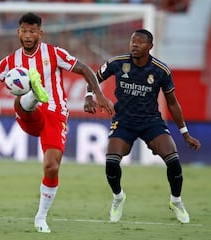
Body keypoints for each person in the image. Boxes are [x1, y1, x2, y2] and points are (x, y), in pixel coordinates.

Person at [0, 12, 114, 233]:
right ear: (18, 32)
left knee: (51, 167)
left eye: (32, 31)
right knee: (22, 102)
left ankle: (41, 217)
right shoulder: (11, 61)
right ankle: (32, 94)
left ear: (40, 33)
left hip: (56, 113)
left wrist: (96, 94)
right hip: (30, 115)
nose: (28, 35)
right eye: (24, 31)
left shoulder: (54, 53)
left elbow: (85, 69)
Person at [84, 29, 201, 224]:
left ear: (150, 46)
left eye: (140, 42)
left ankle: (176, 201)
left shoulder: (160, 70)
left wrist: (185, 134)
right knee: (111, 162)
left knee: (173, 160)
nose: (135, 45)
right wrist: (90, 96)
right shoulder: (117, 63)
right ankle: (118, 197)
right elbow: (92, 79)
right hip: (124, 122)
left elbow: (172, 103)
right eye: (133, 41)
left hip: (151, 122)